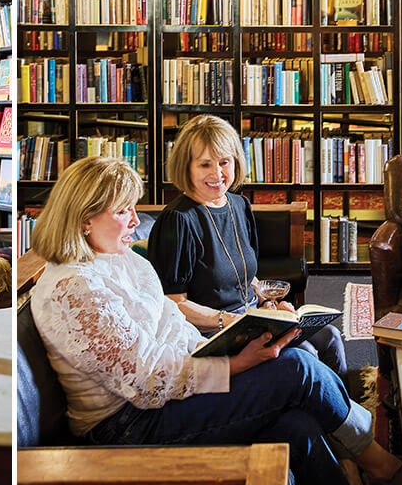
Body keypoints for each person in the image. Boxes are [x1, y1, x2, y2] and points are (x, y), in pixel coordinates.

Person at [29, 156, 402, 485]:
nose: (134, 220)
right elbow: (145, 380)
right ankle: (381, 467)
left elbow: (171, 325)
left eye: (132, 207)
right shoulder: (73, 288)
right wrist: (236, 365)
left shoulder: (121, 258)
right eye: (122, 210)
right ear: (83, 219)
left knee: (297, 423)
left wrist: (233, 343)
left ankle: (360, 480)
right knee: (297, 369)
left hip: (171, 389)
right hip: (128, 423)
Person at [147, 115, 347, 380]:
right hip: (212, 333)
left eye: (224, 162)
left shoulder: (239, 205)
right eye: (205, 164)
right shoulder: (178, 220)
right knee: (307, 352)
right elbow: (172, 304)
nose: (217, 174)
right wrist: (231, 320)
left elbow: (245, 275)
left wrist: (269, 301)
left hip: (253, 318)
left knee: (330, 337)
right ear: (187, 167)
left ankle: (341, 415)